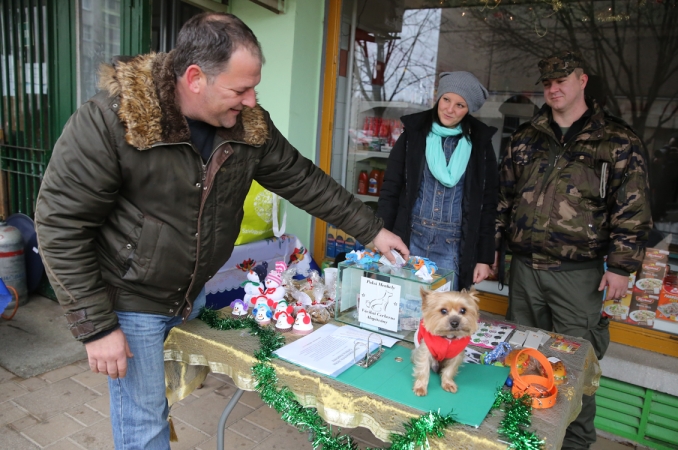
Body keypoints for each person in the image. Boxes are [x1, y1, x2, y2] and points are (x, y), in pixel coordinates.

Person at [34, 12, 408, 450]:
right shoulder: (111, 122)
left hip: (193, 291)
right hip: (131, 297)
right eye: (240, 89)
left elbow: (302, 179)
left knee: (167, 399)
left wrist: (372, 231)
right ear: (195, 78)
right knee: (144, 424)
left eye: (255, 87)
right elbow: (60, 225)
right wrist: (96, 328)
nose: (251, 101)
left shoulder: (249, 125)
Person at [495, 51, 652, 450]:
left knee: (575, 372)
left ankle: (574, 445)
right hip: (526, 272)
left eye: (562, 79)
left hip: (578, 275)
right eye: (547, 81)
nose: (553, 87)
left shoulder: (616, 140)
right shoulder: (526, 137)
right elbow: (503, 199)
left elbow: (632, 208)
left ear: (583, 80)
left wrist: (621, 266)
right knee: (521, 361)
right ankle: (519, 439)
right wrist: (492, 251)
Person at [377, 72, 498, 290]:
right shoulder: (413, 135)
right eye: (446, 100)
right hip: (409, 240)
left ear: (469, 109)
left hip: (453, 248)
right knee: (403, 310)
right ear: (438, 98)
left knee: (442, 318)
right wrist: (381, 233)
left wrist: (484, 257)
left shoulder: (480, 144)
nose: (450, 109)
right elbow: (390, 189)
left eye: (460, 105)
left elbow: (488, 204)